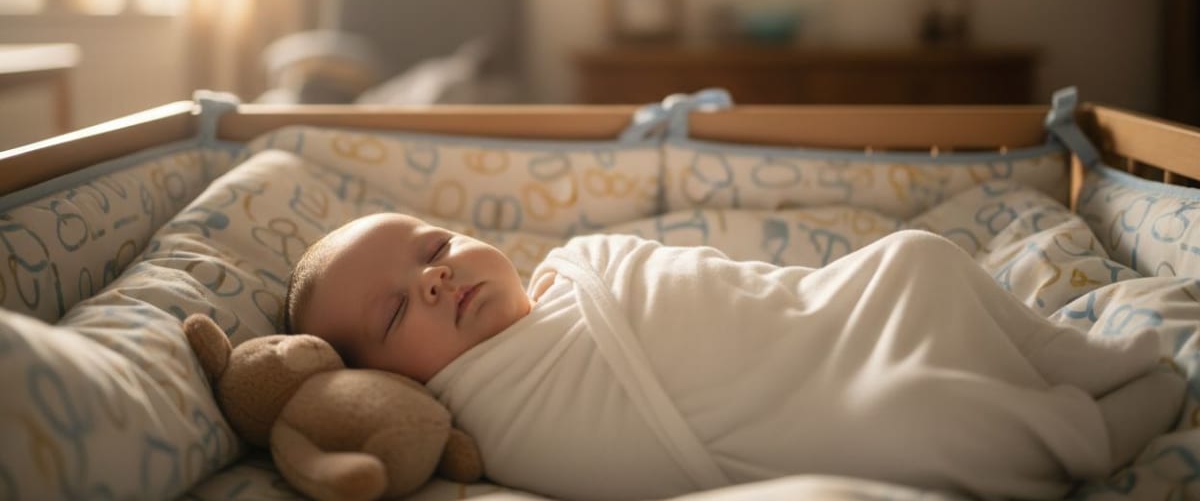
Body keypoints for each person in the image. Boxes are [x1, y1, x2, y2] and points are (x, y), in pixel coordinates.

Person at [285, 212, 1185, 501]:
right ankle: (1085, 428)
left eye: (435, 249)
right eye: (401, 307)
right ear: (390, 381)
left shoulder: (579, 266)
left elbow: (747, 287)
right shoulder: (492, 402)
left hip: (818, 319)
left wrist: (821, 304)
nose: (437, 280)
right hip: (805, 402)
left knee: (918, 262)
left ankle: (1080, 359)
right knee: (915, 412)